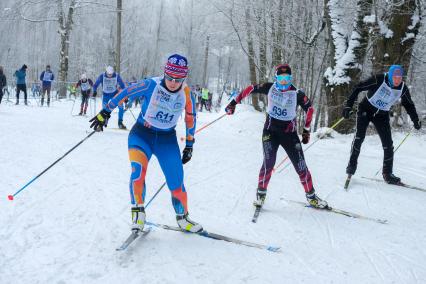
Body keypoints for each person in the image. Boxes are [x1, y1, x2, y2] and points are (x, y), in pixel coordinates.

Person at [89, 54, 202, 233]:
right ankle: (138, 213)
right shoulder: (152, 84)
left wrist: (189, 144)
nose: (173, 82)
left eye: (178, 79)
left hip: (166, 139)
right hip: (142, 135)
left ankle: (183, 217)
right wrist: (106, 111)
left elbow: (191, 118)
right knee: (138, 172)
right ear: (164, 73)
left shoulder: (187, 94)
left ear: (184, 78)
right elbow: (126, 92)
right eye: (170, 77)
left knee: (176, 181)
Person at [225, 64, 328, 209]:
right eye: (281, 78)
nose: (284, 81)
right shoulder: (270, 87)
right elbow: (251, 89)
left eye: (287, 78)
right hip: (270, 132)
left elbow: (310, 108)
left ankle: (311, 197)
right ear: (276, 78)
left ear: (291, 78)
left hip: (289, 135)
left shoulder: (297, 93)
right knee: (269, 162)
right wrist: (233, 103)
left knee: (301, 166)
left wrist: (306, 130)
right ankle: (261, 195)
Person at [342, 65, 421, 184]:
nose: (397, 80)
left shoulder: (403, 88)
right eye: (395, 77)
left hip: (382, 115)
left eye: (400, 78)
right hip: (366, 110)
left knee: (388, 144)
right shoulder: (378, 79)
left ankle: (387, 174)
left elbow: (409, 104)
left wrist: (415, 120)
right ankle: (351, 167)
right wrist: (348, 106)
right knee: (359, 138)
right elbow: (358, 87)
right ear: (390, 75)